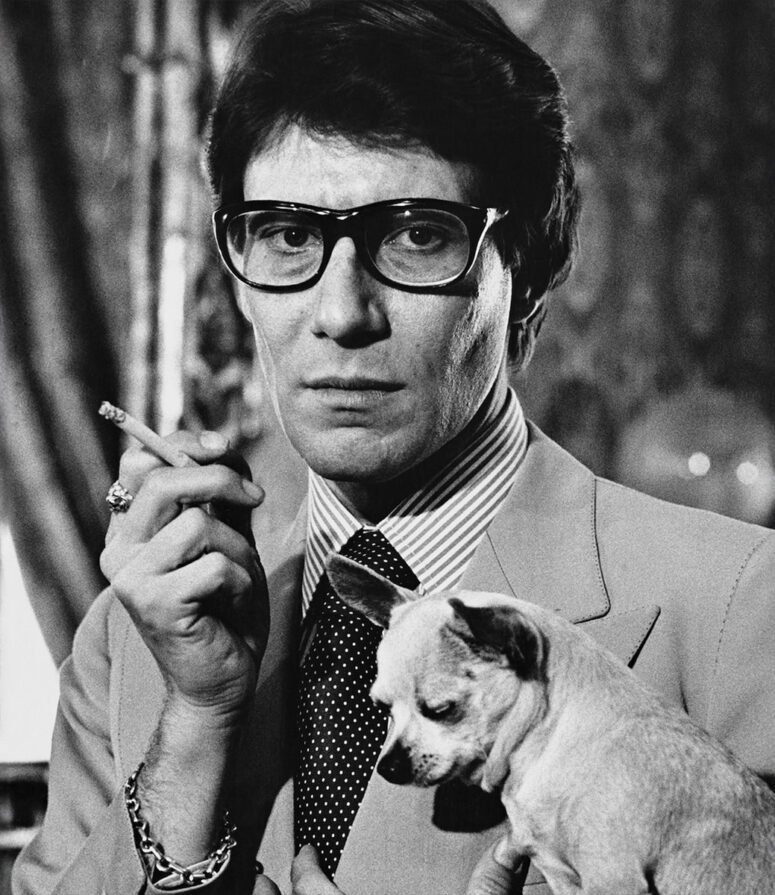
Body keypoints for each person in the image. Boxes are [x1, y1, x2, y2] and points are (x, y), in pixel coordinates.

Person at [13, 1, 775, 893]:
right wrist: (194, 725)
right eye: (288, 235)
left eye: (416, 236)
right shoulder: (129, 638)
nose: (341, 315)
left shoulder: (736, 606)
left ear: (526, 270)